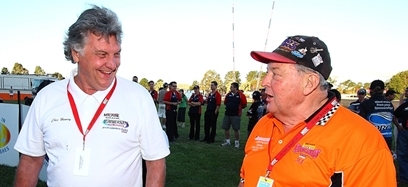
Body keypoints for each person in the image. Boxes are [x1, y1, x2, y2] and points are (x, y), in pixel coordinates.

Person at [13, 5, 169, 187]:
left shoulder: (138, 97)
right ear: (76, 53)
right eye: (102, 54)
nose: (112, 64)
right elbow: (31, 161)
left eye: (116, 54)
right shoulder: (46, 98)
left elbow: (156, 162)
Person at [239, 35, 396, 187]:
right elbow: (245, 179)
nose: (264, 81)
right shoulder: (264, 124)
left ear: (309, 83)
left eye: (276, 74)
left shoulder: (363, 142)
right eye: (267, 72)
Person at [359, 80, 402, 152]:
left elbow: (361, 121)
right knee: (384, 158)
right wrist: (397, 125)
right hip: (387, 137)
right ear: (384, 90)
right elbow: (392, 116)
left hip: (372, 138)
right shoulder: (389, 103)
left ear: (370, 90)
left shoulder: (366, 104)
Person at [221, 82, 247, 148]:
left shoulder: (241, 95)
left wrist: (239, 109)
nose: (230, 88)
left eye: (231, 87)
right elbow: (225, 102)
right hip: (227, 113)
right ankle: (227, 141)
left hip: (235, 115)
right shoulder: (228, 94)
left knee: (236, 129)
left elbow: (244, 104)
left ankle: (236, 142)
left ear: (235, 88)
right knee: (226, 128)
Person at [394, 99, 408, 185]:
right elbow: (394, 115)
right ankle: (404, 178)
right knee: (402, 155)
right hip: (404, 132)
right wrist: (398, 126)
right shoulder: (405, 105)